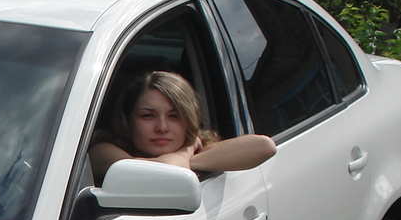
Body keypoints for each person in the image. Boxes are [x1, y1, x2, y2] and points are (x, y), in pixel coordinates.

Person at [90, 70, 275, 183]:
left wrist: (190, 161)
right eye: (147, 116)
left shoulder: (200, 144)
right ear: (127, 119)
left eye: (174, 116)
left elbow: (264, 146)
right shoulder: (102, 150)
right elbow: (165, 173)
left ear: (189, 119)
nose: (162, 127)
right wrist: (185, 154)